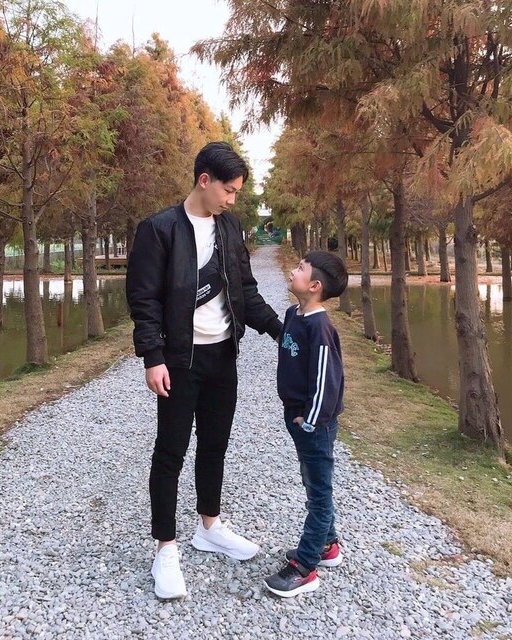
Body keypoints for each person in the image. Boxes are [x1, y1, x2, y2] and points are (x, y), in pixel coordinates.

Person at [126, 141, 282, 600]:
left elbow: (245, 289)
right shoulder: (159, 229)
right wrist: (153, 357)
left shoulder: (229, 228)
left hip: (222, 356)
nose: (232, 200)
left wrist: (280, 330)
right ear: (204, 180)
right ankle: (165, 548)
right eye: (228, 191)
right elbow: (143, 300)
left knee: (215, 444)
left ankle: (209, 527)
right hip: (179, 360)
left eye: (236, 193)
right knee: (170, 452)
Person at [264, 250, 348, 598]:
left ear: (314, 286)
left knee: (319, 493)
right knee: (312, 481)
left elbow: (327, 381)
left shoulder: (320, 329)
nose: (293, 270)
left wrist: (310, 421)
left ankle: (305, 566)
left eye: (300, 268)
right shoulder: (292, 314)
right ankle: (327, 545)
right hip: (296, 416)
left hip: (314, 424)